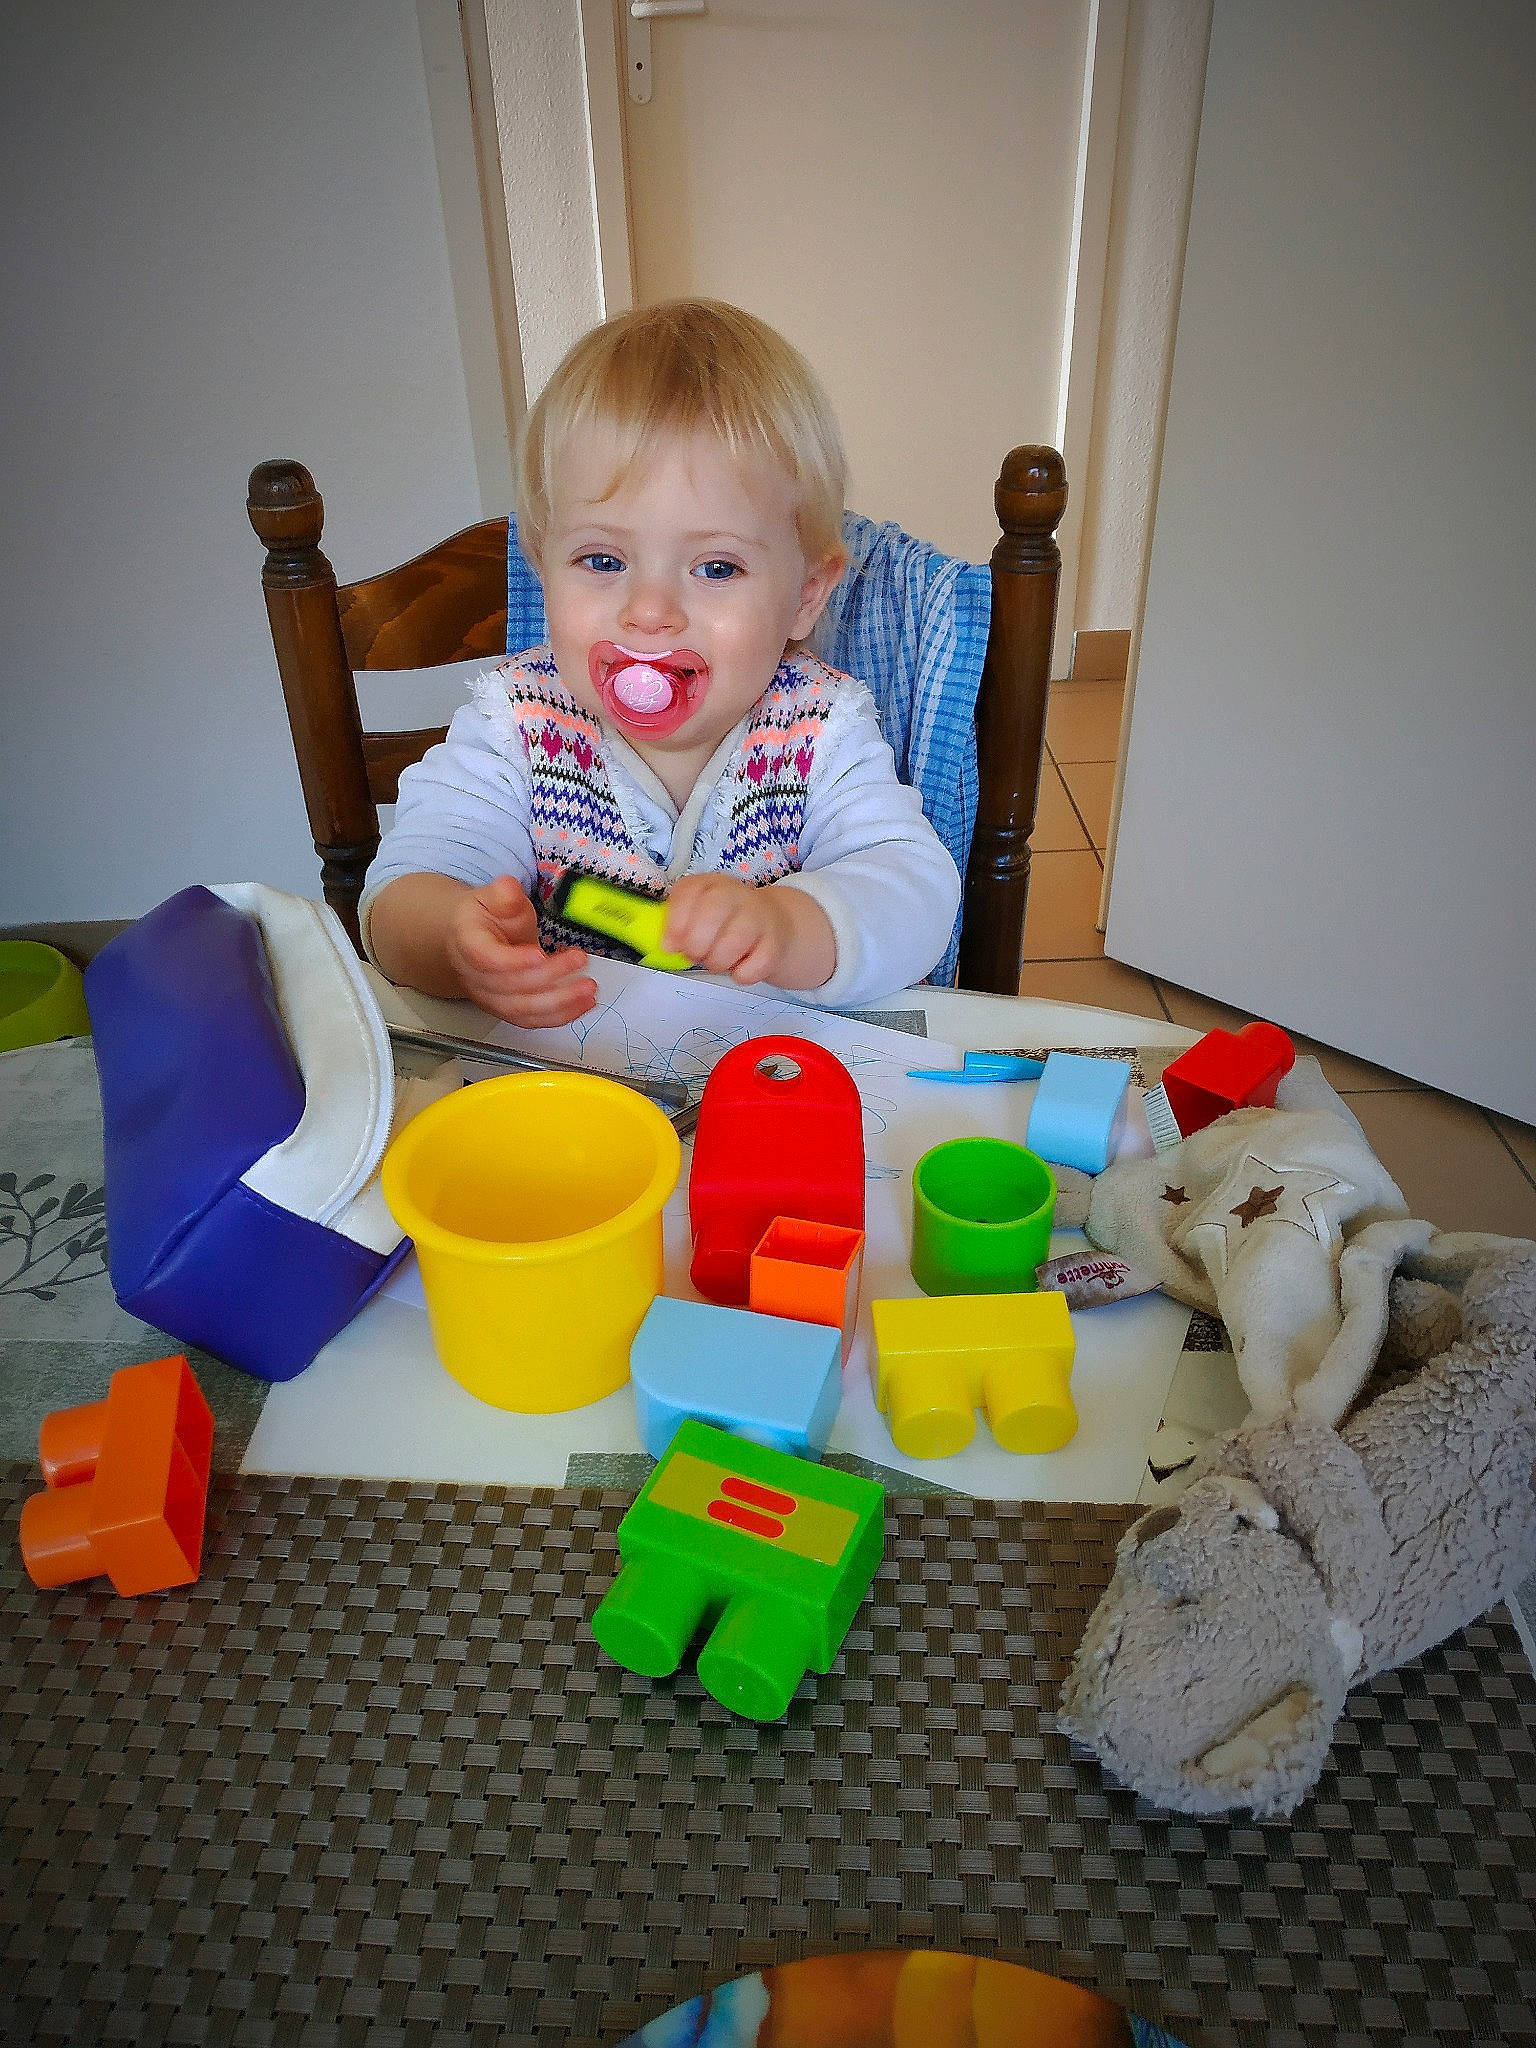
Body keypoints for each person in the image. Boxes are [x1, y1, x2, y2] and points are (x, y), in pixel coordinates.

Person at [363, 299, 961, 1026]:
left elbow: (915, 893)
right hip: (570, 1076)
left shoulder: (821, 731)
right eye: (602, 560)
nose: (649, 611)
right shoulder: (513, 728)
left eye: (716, 568)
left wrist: (789, 925)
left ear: (806, 594)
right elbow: (407, 884)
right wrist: (453, 943)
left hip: (763, 1072)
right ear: (543, 569)